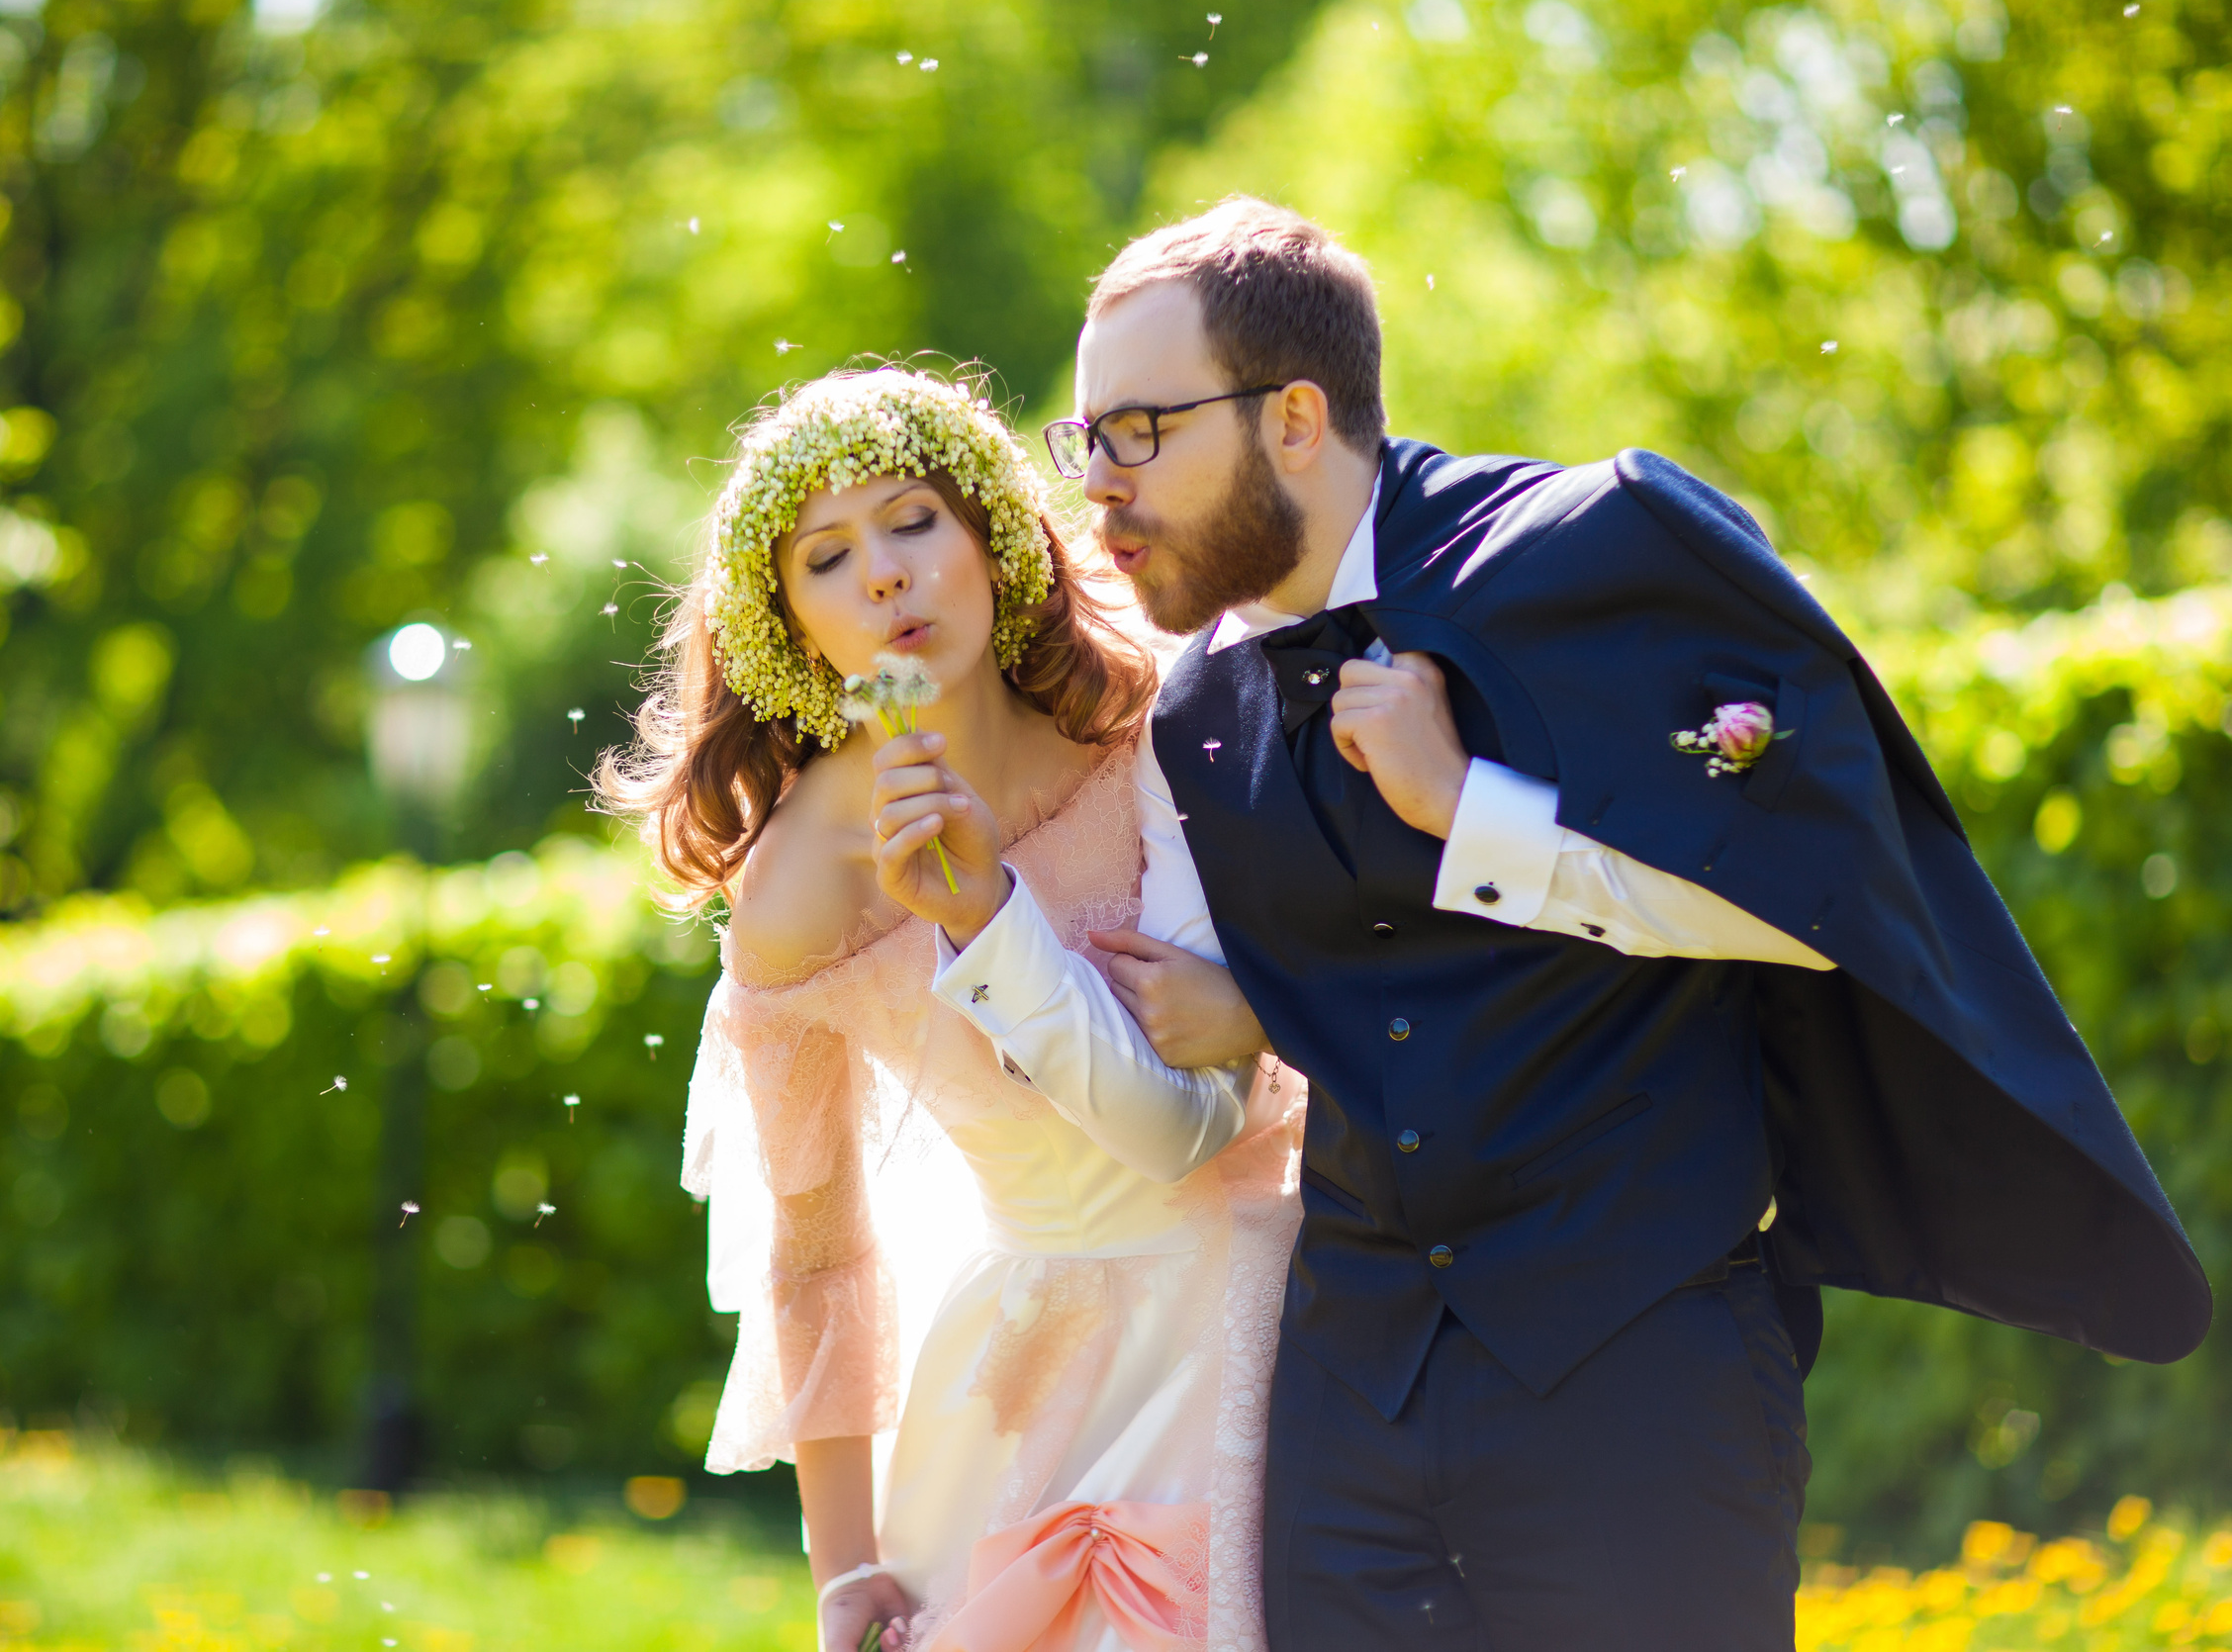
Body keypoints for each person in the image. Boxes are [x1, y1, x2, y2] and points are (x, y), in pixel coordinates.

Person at [885, 199, 2210, 1650]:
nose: (1102, 490)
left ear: (1295, 417)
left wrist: (1475, 813)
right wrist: (1244, 999)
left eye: (1140, 432)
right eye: (1089, 442)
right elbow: (1356, 987)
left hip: (1638, 1370)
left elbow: (1814, 899)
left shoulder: (1586, 559)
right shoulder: (1196, 711)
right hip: (1351, 1396)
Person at [602, 366, 1305, 1652]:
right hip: (1046, 1375)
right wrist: (844, 1564)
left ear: (990, 533)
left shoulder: (1148, 714)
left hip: (1285, 1297)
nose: (883, 575)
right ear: (787, 623)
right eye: (827, 556)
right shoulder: (804, 893)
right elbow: (817, 1249)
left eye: (913, 519)